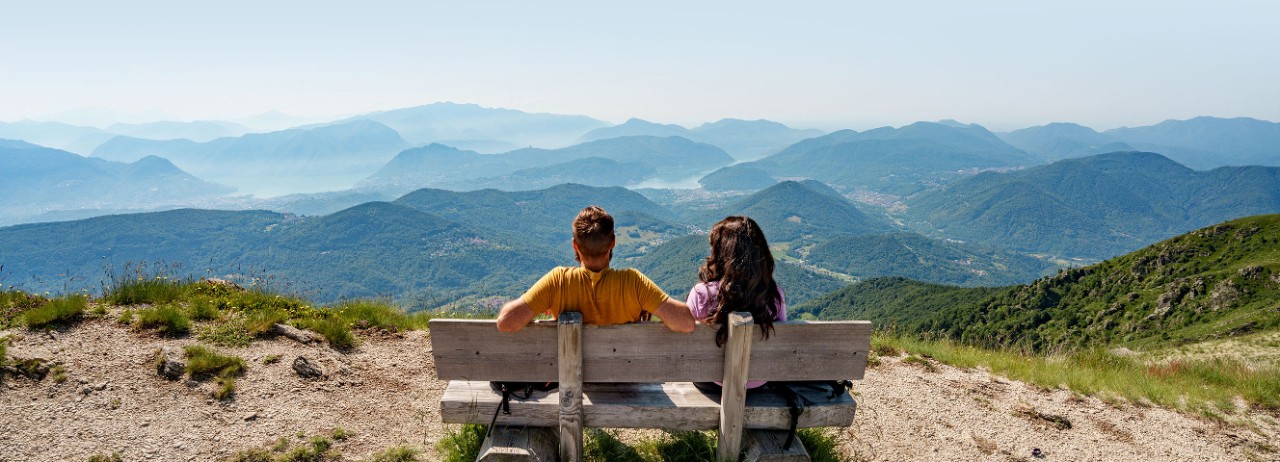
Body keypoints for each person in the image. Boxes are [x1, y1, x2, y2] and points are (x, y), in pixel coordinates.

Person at [496, 205, 696, 333]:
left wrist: (541, 300)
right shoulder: (633, 283)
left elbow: (505, 322)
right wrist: (646, 302)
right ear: (613, 243)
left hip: (571, 382)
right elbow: (686, 322)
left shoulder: (558, 282)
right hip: (627, 381)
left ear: (575, 245)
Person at [686, 216, 785, 389]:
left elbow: (686, 344)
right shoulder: (774, 296)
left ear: (720, 254)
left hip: (710, 382)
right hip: (758, 383)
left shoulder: (702, 293)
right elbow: (779, 343)